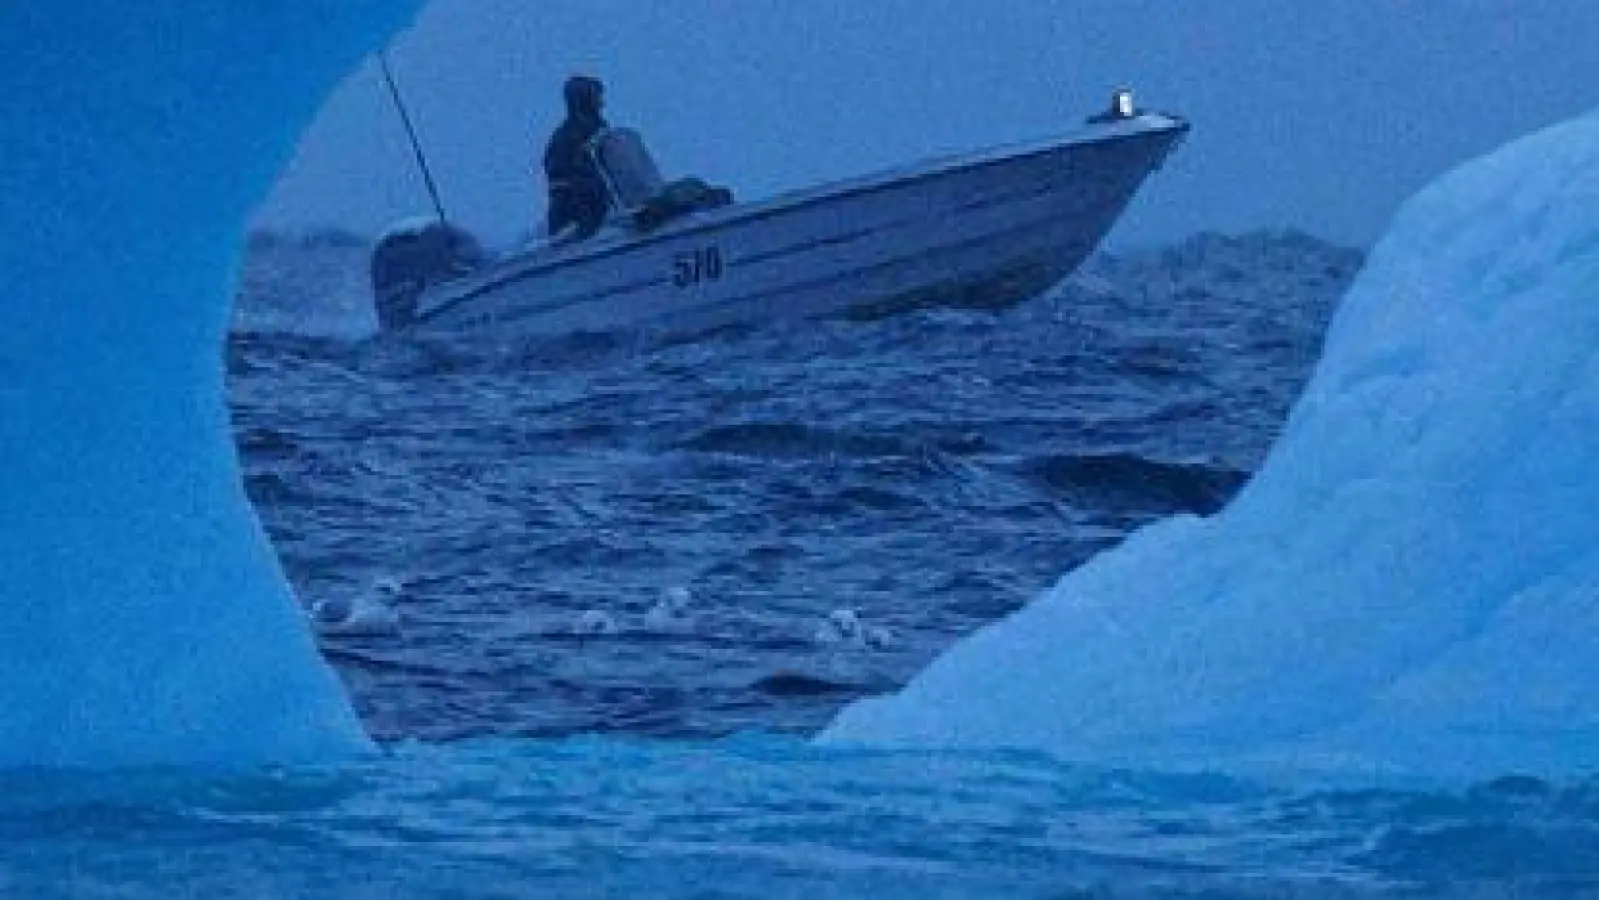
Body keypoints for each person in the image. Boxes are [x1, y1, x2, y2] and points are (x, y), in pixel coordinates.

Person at [541, 75, 611, 240]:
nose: (601, 103)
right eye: (596, 97)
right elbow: (558, 178)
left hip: (607, 207)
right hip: (577, 216)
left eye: (599, 97)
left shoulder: (601, 129)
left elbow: (617, 165)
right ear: (584, 99)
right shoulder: (565, 136)